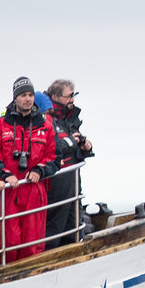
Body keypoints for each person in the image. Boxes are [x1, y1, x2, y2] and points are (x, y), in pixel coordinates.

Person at [0, 78, 58, 264]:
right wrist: (5, 174)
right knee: (6, 242)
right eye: (23, 95)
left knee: (33, 243)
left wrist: (40, 170)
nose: (28, 99)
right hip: (8, 192)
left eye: (30, 95)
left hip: (34, 191)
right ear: (15, 98)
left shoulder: (46, 127)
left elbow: (55, 156)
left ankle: (31, 279)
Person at [40, 79, 93, 245]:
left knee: (74, 230)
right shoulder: (45, 119)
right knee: (52, 232)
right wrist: (70, 142)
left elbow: (72, 149)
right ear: (55, 96)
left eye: (74, 95)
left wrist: (84, 148)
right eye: (69, 96)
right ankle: (47, 265)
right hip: (55, 186)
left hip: (73, 185)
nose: (72, 100)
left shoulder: (69, 119)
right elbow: (47, 149)